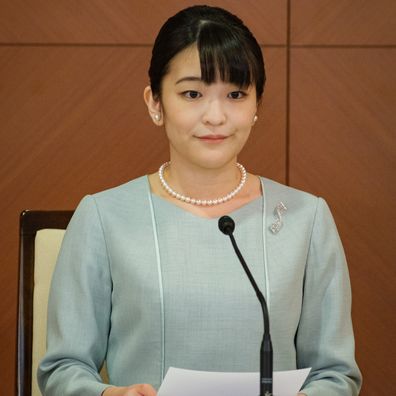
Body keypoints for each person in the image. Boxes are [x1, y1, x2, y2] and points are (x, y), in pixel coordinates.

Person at [38, 5, 362, 396]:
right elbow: (62, 369)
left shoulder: (306, 219)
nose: (215, 115)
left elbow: (335, 375)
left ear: (257, 106)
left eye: (236, 94)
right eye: (192, 93)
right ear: (155, 102)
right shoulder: (103, 217)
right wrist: (110, 394)